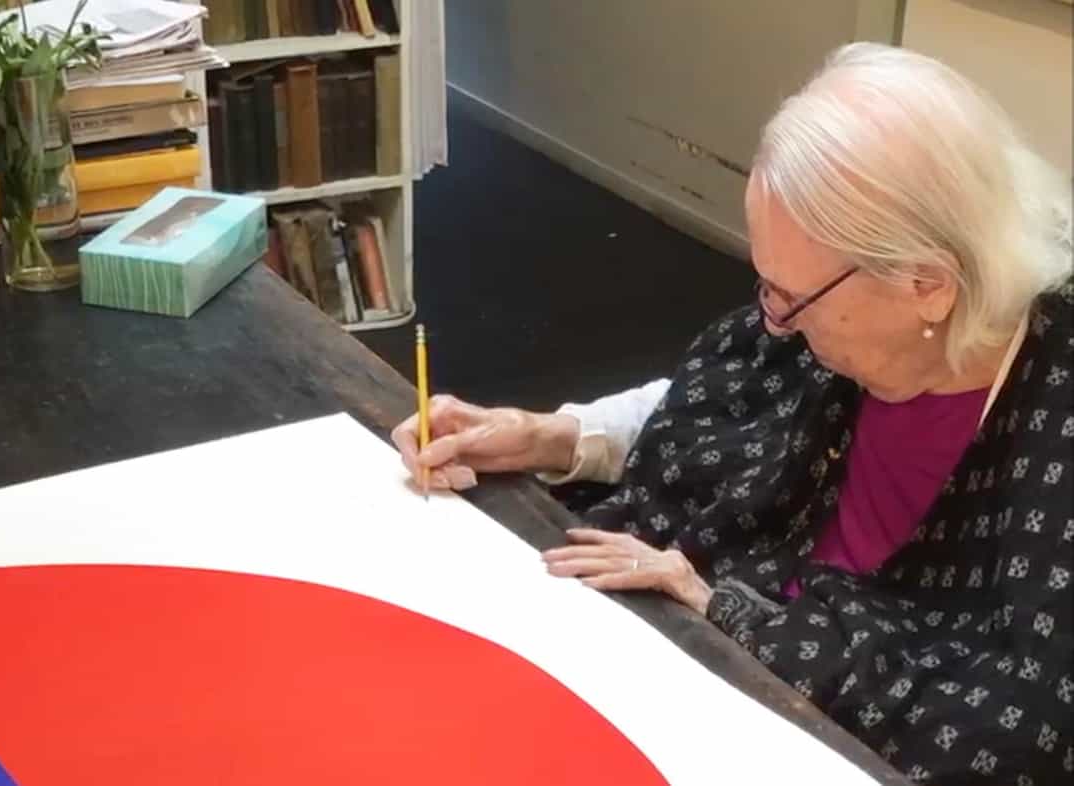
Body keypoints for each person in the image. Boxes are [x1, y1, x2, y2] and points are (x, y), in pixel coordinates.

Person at [392, 43, 1072, 785]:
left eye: (791, 297)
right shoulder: (830, 328)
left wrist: (729, 612)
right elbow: (716, 401)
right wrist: (551, 435)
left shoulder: (1050, 424)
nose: (770, 319)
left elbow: (1023, 725)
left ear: (928, 287)